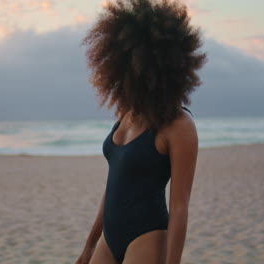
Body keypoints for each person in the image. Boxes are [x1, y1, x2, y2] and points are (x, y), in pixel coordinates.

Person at [76, 0, 207, 263]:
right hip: (109, 239)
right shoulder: (126, 113)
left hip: (147, 237)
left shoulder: (179, 125)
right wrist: (90, 246)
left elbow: (180, 207)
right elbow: (115, 184)